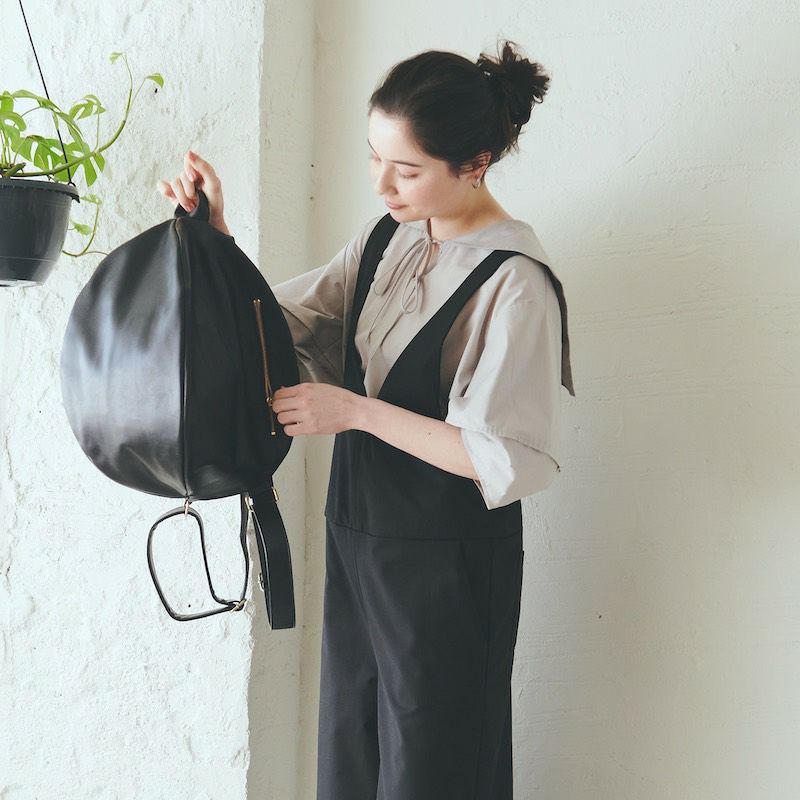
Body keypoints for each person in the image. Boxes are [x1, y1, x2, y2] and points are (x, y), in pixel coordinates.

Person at [158, 38, 574, 800]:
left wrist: (355, 411)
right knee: (350, 760)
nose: (382, 184)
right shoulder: (388, 238)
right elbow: (283, 326)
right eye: (375, 158)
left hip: (448, 571)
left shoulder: (513, 283)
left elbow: (502, 456)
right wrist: (217, 238)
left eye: (406, 170)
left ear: (475, 163)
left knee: (434, 774)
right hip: (358, 544)